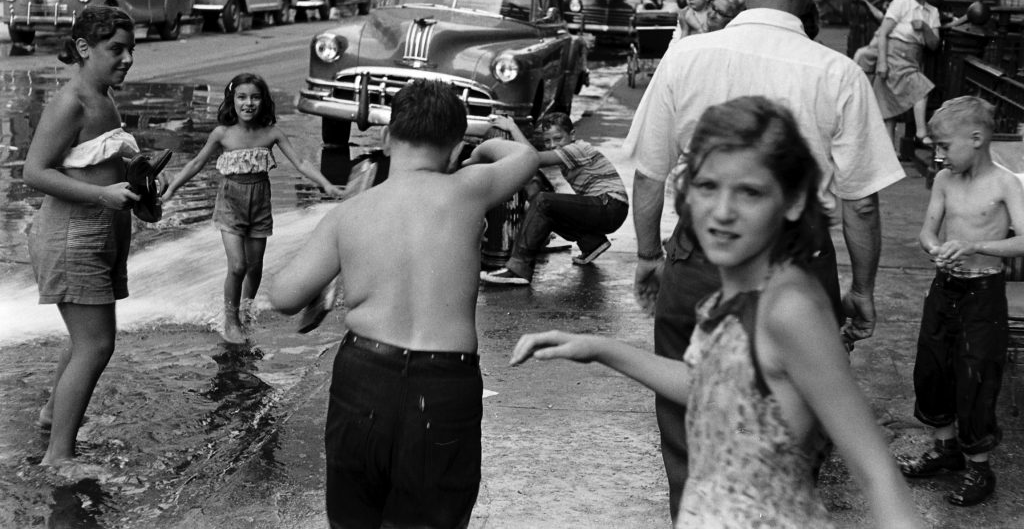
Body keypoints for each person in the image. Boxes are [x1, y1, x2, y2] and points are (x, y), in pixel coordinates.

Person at [512, 97, 923, 528]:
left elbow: (877, 473)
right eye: (708, 187)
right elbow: (713, 386)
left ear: (794, 202)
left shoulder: (790, 309)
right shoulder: (731, 295)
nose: (723, 212)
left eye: (750, 191)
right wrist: (599, 349)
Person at [624, 0, 905, 522]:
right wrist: (863, 289)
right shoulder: (837, 74)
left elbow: (650, 174)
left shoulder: (687, 58)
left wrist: (649, 255)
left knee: (690, 434)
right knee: (795, 437)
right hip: (801, 266)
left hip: (699, 261)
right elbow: (860, 201)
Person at [269, 80, 538, 528]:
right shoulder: (470, 189)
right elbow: (524, 157)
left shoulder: (349, 214)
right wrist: (481, 150)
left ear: (386, 138)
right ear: (453, 150)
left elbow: (284, 296)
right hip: (444, 385)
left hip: (364, 379)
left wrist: (336, 271)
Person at [24, 6, 140, 471]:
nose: (128, 58)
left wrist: (140, 188)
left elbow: (99, 161)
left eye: (132, 49)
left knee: (83, 339)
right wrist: (102, 194)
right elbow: (34, 171)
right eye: (117, 49)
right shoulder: (71, 101)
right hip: (73, 238)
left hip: (99, 234)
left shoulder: (103, 96)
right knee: (95, 344)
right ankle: (59, 458)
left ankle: (54, 416)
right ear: (85, 49)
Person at [899, 96, 1024, 506]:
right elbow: (926, 231)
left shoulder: (1006, 183)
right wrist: (935, 248)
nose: (938, 155)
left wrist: (976, 245)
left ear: (975, 139)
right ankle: (946, 449)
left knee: (976, 377)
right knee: (932, 367)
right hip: (945, 286)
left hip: (983, 294)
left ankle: (979, 467)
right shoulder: (944, 181)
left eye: (944, 146)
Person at [162, 73, 344, 343]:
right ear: (232, 100)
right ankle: (231, 319)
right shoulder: (222, 134)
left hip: (259, 207)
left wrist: (327, 185)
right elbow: (195, 163)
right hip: (230, 206)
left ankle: (246, 308)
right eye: (242, 97)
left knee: (255, 267)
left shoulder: (271, 133)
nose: (248, 103)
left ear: (264, 101)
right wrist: (172, 189)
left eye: (255, 97)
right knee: (237, 266)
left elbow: (302, 162)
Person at [479, 112, 629, 285]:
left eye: (558, 138)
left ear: (572, 135)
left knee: (544, 201)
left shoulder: (576, 149)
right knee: (544, 205)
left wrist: (512, 127)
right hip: (608, 208)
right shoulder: (568, 152)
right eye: (548, 141)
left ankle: (518, 268)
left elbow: (533, 158)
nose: (553, 145)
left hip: (610, 205)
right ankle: (591, 242)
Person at [871, 0, 942, 147]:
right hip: (893, 56)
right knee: (889, 107)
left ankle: (919, 133)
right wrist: (882, 62)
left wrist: (925, 27)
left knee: (920, 89)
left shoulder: (932, 12)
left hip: (913, 59)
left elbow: (933, 44)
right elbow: (883, 33)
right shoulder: (900, 4)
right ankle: (893, 150)